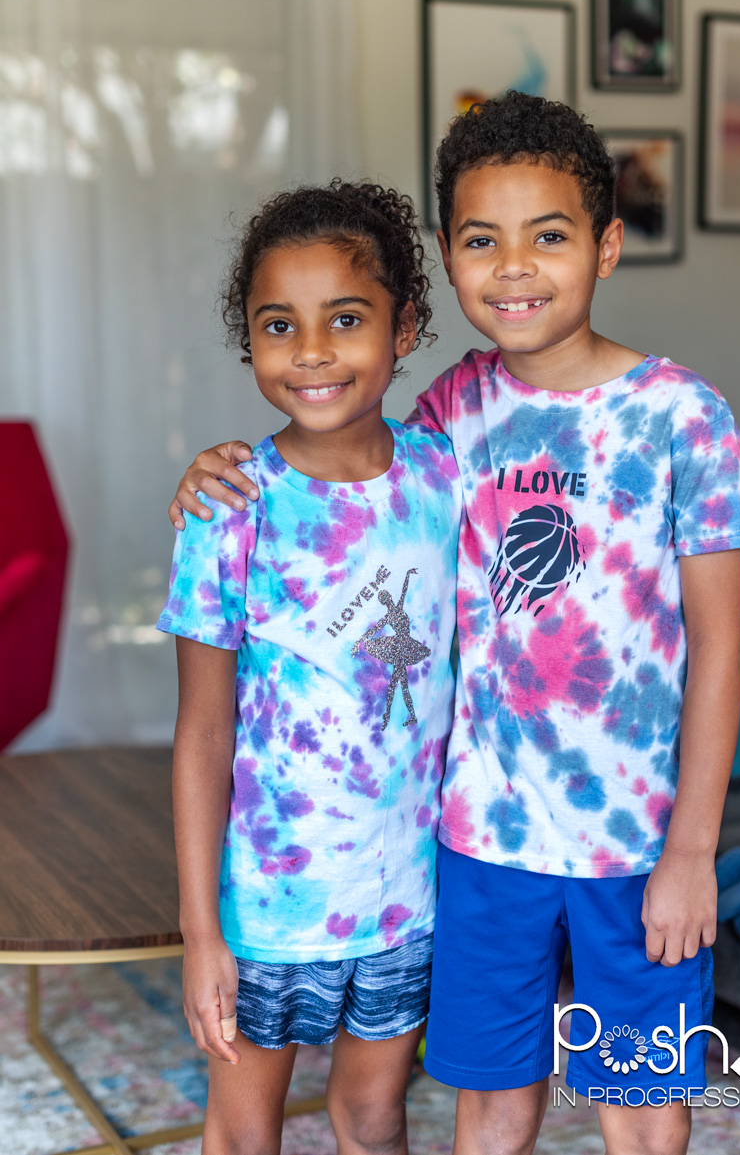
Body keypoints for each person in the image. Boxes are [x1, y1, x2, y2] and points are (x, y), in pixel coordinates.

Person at [167, 92, 740, 1155]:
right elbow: (344, 463)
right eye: (483, 241)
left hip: (635, 840)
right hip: (478, 838)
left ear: (608, 246)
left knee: (635, 1090)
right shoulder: (452, 411)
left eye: (549, 237)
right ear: (447, 260)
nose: (516, 267)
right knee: (489, 1097)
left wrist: (694, 848)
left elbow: (721, 642)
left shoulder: (683, 418)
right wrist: (219, 466)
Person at [157, 180, 461, 1155]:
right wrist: (203, 932)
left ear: (405, 326)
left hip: (408, 894)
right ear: (251, 342)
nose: (314, 350)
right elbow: (204, 731)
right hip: (268, 912)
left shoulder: (447, 476)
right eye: (279, 325)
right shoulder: (229, 506)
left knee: (374, 1117)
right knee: (245, 1131)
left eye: (346, 318)